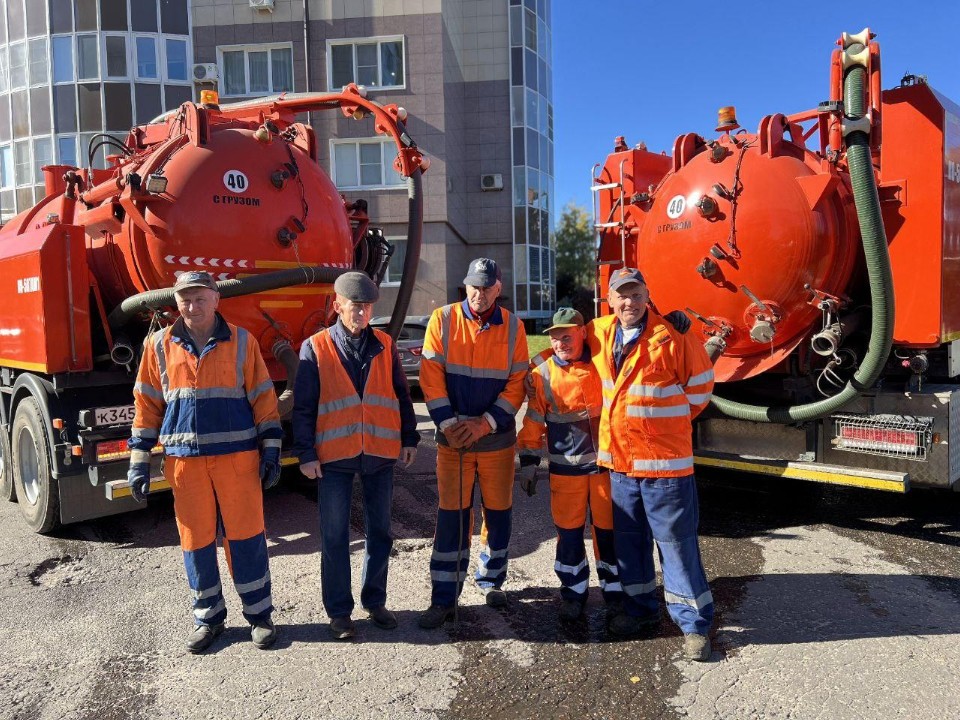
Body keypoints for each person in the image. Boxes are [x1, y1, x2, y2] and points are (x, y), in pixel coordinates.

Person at [127, 270, 282, 654]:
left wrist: (273, 448)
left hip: (237, 460)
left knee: (246, 537)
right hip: (185, 463)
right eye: (185, 300)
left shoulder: (242, 342)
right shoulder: (159, 345)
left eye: (200, 298)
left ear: (216, 299)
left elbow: (264, 397)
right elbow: (147, 404)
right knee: (195, 543)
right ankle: (208, 618)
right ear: (176, 303)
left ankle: (259, 616)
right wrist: (138, 458)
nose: (192, 306)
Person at [591, 267, 716, 661]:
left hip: (665, 465)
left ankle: (694, 625)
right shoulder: (597, 333)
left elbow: (700, 390)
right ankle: (640, 612)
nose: (629, 302)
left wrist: (666, 424)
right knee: (630, 546)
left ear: (648, 295)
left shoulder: (674, 334)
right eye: (621, 295)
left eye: (636, 294)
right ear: (609, 299)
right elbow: (557, 350)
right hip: (622, 465)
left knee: (676, 547)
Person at [292, 271, 419, 640]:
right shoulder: (315, 347)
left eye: (366, 308)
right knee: (334, 537)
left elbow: (401, 394)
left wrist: (409, 438)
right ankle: (339, 612)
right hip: (334, 456)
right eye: (354, 307)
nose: (361, 314)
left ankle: (375, 602)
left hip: (379, 454)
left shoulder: (385, 343)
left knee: (381, 532)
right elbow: (303, 407)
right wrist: (306, 453)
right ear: (337, 307)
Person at [418, 258, 528, 629]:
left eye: (486, 287)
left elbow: (518, 383)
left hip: (494, 441)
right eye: (473, 286)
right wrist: (449, 424)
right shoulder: (443, 319)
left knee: (498, 515)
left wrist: (486, 424)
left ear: (498, 288)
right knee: (452, 517)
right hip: (454, 443)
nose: (479, 294)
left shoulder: (514, 327)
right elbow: (430, 376)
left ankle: (491, 580)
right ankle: (444, 598)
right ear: (465, 286)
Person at [517, 307, 623, 621]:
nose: (561, 343)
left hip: (605, 467)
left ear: (581, 333)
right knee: (570, 534)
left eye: (567, 336)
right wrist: (528, 462)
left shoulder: (603, 365)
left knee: (608, 534)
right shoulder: (543, 374)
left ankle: (614, 594)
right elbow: (534, 421)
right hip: (566, 473)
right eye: (555, 337)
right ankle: (573, 594)